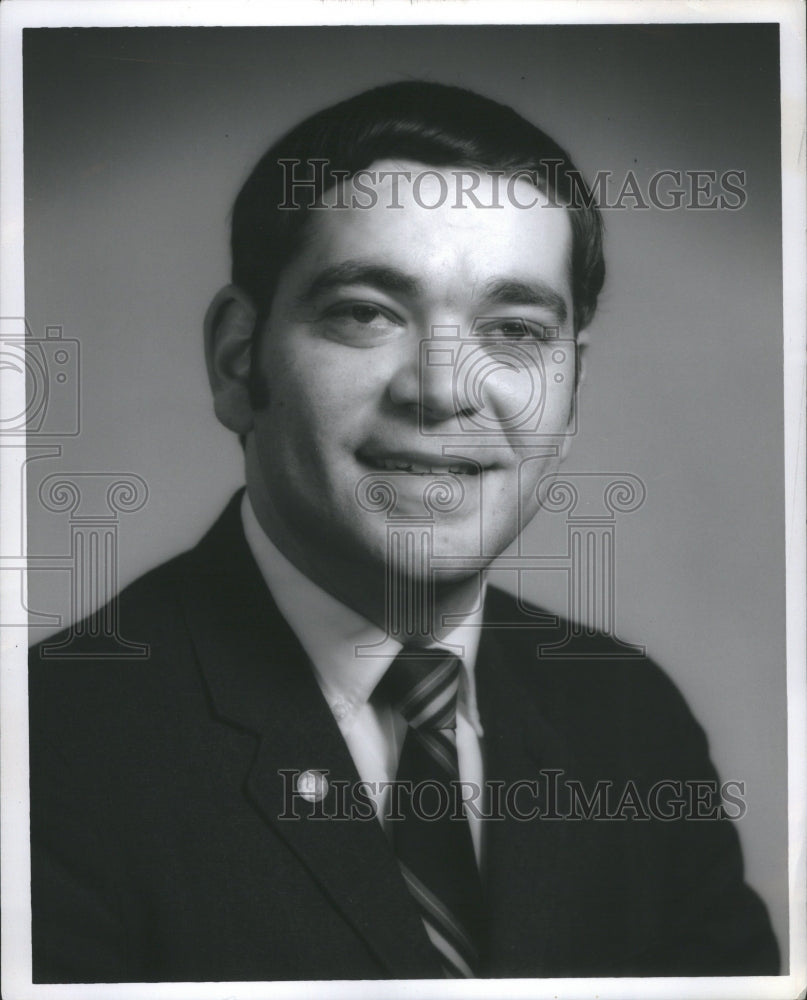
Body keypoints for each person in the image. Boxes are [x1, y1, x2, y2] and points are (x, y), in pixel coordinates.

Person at [29, 80, 779, 983]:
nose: (441, 388)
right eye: (366, 313)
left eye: (512, 330)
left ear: (570, 390)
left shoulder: (630, 723)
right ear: (238, 361)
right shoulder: (48, 752)